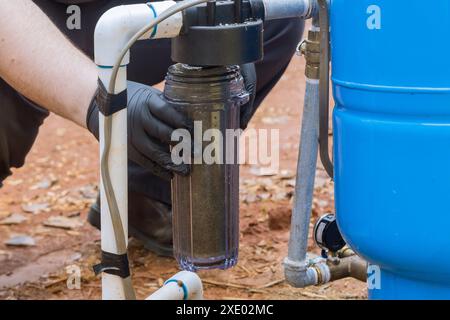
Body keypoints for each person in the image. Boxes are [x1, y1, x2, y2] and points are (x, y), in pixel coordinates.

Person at [0, 0, 304, 256]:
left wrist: (222, 19)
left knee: (266, 12)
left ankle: (148, 189)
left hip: (112, 12)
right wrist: (97, 100)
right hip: (18, 25)